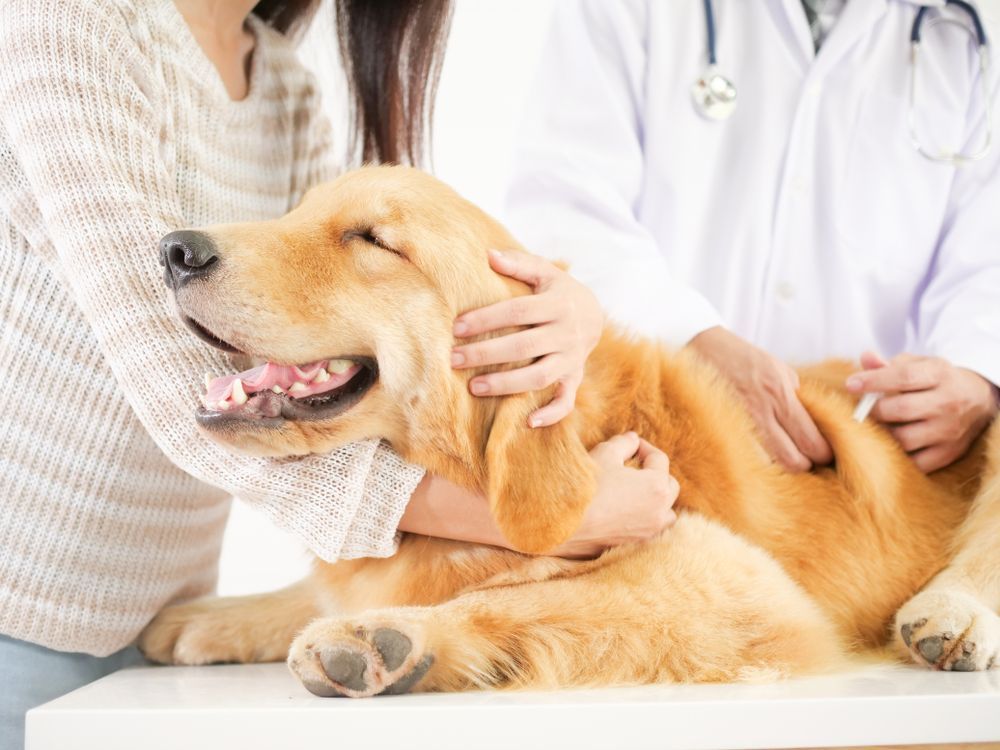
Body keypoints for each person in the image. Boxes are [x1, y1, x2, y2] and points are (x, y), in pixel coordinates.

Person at [0, 1, 677, 746]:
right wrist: (553, 520)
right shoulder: (70, 23)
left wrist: (566, 310)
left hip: (161, 630)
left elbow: (353, 352)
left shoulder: (282, 84)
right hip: (17, 623)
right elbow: (177, 390)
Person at [505, 0, 1000, 475]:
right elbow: (564, 205)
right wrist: (690, 340)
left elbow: (986, 260)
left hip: (859, 464)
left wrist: (976, 378)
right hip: (649, 441)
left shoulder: (968, 30)